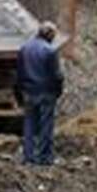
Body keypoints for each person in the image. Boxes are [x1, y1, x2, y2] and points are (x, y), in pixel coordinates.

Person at [16, 23, 64, 166]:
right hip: (46, 93)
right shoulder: (50, 51)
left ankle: (28, 156)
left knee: (29, 124)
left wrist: (19, 92)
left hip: (29, 92)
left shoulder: (24, 49)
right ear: (49, 35)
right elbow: (56, 76)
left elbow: (19, 73)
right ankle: (44, 157)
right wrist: (58, 91)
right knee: (46, 125)